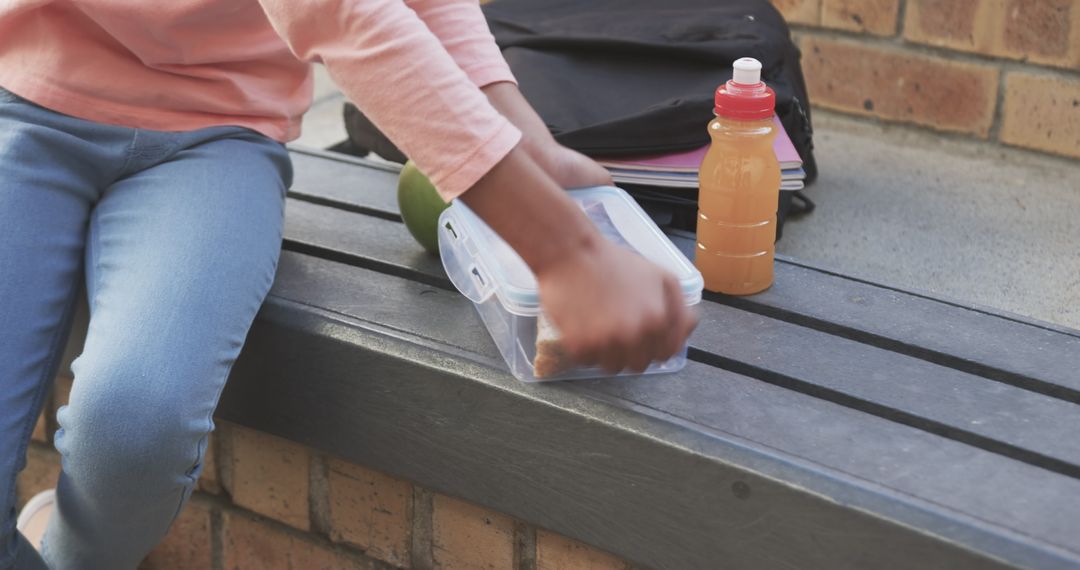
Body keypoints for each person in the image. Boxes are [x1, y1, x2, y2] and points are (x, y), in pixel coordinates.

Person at [0, 1, 698, 568]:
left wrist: (528, 141)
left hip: (215, 136)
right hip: (19, 104)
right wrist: (566, 251)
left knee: (135, 428)